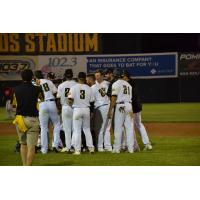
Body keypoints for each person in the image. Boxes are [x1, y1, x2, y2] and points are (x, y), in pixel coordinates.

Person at [12, 69, 43, 165]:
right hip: (32, 119)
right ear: (32, 77)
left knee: (23, 144)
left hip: (20, 119)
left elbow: (14, 105)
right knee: (31, 146)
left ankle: (24, 166)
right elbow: (42, 99)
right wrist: (38, 86)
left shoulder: (16, 89)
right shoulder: (37, 89)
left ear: (22, 77)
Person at [122, 71, 152, 151]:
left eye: (123, 76)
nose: (122, 77)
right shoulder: (132, 82)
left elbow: (132, 97)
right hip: (137, 105)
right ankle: (147, 144)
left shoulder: (128, 84)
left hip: (133, 106)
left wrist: (131, 108)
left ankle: (133, 146)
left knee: (131, 126)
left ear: (126, 76)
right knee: (139, 124)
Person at [107, 69, 134, 153]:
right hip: (129, 106)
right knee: (129, 128)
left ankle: (116, 148)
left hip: (120, 106)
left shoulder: (115, 84)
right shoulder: (129, 85)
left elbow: (114, 98)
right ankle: (131, 149)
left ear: (115, 76)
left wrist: (110, 110)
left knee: (118, 127)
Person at [34, 70, 61, 154]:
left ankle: (44, 149)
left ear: (35, 77)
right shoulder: (49, 81)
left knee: (43, 127)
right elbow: (55, 92)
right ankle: (55, 145)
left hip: (42, 104)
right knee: (56, 124)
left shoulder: (35, 83)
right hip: (51, 103)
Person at [68, 72, 95, 155]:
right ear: (85, 78)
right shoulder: (89, 88)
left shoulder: (73, 88)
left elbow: (69, 100)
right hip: (87, 109)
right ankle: (91, 148)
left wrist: (70, 105)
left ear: (78, 78)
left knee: (77, 131)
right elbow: (92, 101)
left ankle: (77, 150)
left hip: (77, 109)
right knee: (87, 130)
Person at [91, 69, 112, 152]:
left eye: (98, 75)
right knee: (102, 128)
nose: (97, 77)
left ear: (102, 76)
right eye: (96, 75)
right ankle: (104, 146)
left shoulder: (108, 84)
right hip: (98, 108)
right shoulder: (93, 87)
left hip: (105, 106)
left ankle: (103, 147)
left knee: (104, 128)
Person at [57, 69, 77, 153]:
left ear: (65, 75)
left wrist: (59, 109)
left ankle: (68, 147)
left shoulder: (61, 85)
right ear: (72, 75)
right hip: (74, 107)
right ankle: (73, 146)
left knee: (66, 129)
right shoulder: (76, 84)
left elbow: (58, 99)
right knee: (75, 128)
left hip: (65, 107)